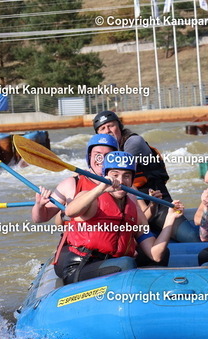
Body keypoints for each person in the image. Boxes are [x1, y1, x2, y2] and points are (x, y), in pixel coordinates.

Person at [54, 151, 184, 285]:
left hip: (112, 263)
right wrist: (101, 188)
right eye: (115, 175)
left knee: (163, 254)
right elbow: (70, 211)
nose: (121, 181)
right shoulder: (91, 197)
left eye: (126, 176)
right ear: (105, 176)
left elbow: (155, 255)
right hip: (81, 266)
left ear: (132, 179)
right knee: (126, 263)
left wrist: (170, 218)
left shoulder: (134, 210)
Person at [92, 110, 199, 242]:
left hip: (157, 204)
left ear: (119, 126)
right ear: (98, 134)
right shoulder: (99, 154)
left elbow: (121, 170)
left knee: (192, 237)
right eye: (102, 128)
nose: (108, 130)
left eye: (111, 125)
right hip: (129, 208)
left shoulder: (134, 142)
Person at [32, 134, 119, 224]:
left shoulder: (122, 184)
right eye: (97, 155)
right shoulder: (71, 184)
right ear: (89, 157)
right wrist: (39, 205)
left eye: (108, 156)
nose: (102, 160)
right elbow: (40, 218)